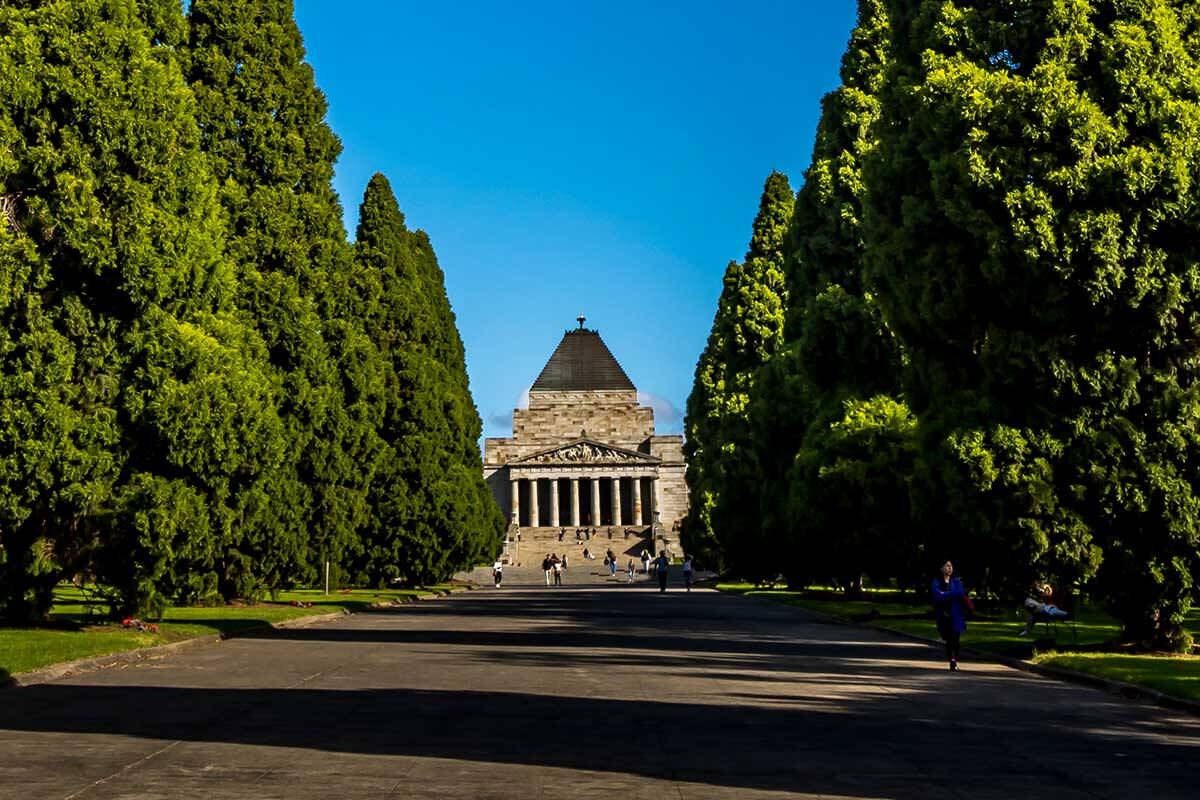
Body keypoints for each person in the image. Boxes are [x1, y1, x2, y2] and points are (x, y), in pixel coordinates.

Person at [931, 560, 969, 671]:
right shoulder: (936, 581)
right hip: (943, 615)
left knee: (956, 639)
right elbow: (937, 595)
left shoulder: (956, 582)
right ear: (941, 568)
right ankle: (951, 659)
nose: (949, 568)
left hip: (956, 614)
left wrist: (945, 594)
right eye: (947, 566)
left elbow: (960, 594)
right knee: (948, 639)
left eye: (951, 566)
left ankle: (954, 660)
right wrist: (951, 594)